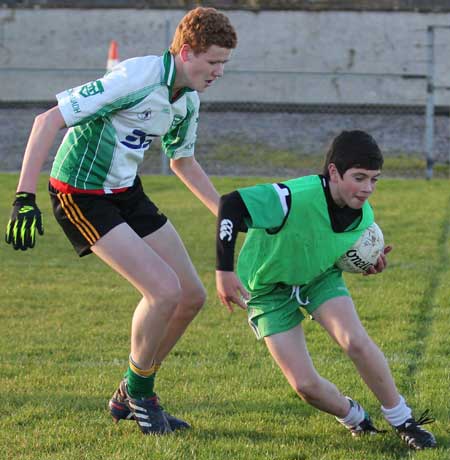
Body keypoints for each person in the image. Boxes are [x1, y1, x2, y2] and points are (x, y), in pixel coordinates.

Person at [5, 7, 237, 435]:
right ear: (187, 52)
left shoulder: (186, 99)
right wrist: (23, 197)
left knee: (190, 296)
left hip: (126, 192)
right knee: (163, 291)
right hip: (80, 193)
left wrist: (226, 212)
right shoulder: (138, 77)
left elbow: (182, 160)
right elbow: (47, 121)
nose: (220, 71)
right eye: (214, 62)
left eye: (225, 63)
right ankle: (143, 398)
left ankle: (130, 390)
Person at [215, 130, 436, 450]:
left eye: (374, 180)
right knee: (305, 386)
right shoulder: (293, 197)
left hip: (319, 277)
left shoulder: (363, 217)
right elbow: (230, 204)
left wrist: (368, 264)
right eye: (359, 177)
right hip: (267, 291)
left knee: (354, 340)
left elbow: (337, 249)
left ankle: (403, 420)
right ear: (333, 171)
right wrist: (224, 270)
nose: (367, 189)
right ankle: (355, 417)